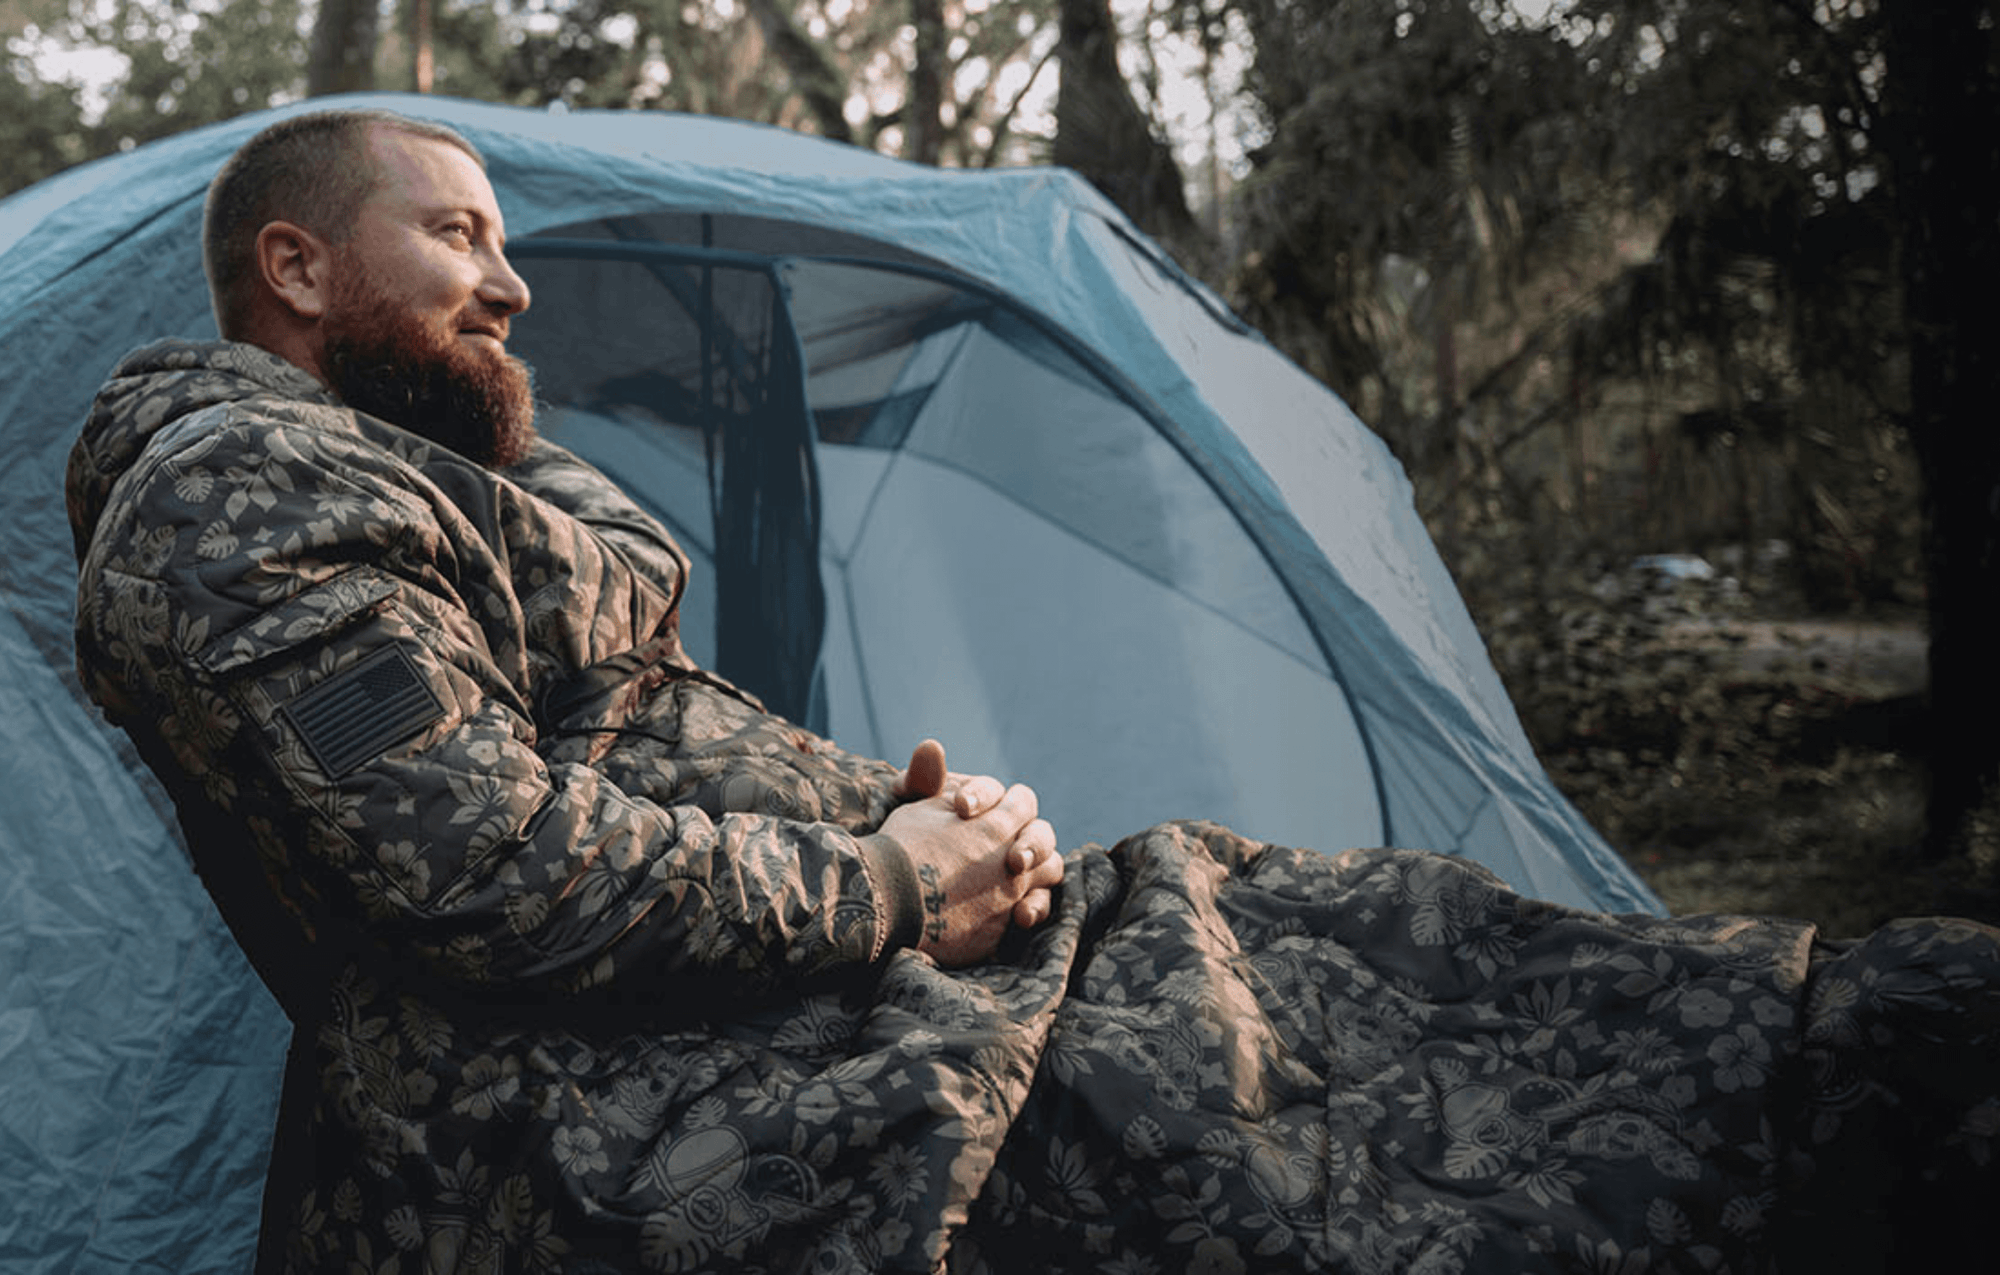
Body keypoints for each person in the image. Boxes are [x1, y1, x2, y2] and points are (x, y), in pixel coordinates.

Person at [69, 108, 2000, 1274]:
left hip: (788, 970)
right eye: (458, 236)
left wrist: (899, 818)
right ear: (296, 266)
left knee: (1373, 944)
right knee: (1343, 1103)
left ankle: (1886, 1051)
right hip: (607, 1087)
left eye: (506, 242)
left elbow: (606, 695)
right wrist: (890, 880)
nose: (510, 285)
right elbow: (490, 870)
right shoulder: (241, 506)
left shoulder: (404, 473)